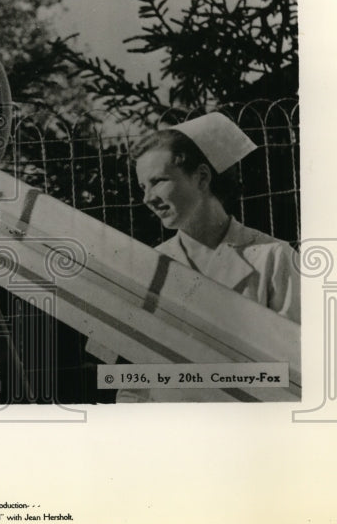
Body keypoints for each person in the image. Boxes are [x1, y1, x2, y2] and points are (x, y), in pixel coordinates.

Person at [90, 112, 300, 402]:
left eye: (158, 181)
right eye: (142, 187)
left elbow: (297, 376)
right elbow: (131, 380)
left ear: (201, 177)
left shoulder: (273, 258)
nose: (147, 198)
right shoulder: (146, 266)